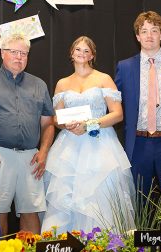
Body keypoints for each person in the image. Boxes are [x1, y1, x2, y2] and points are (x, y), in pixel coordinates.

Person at [41, 36, 136, 233]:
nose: (82, 54)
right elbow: (56, 119)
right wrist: (66, 124)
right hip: (69, 147)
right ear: (71, 53)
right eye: (78, 50)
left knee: (99, 195)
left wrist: (89, 124)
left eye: (86, 51)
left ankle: (104, 242)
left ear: (92, 55)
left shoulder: (103, 79)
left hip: (100, 144)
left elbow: (118, 114)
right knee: (66, 198)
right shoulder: (62, 83)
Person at [0, 33, 55, 235]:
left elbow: (49, 124)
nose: (19, 57)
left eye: (24, 53)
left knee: (31, 212)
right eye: (14, 52)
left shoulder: (39, 84)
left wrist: (44, 152)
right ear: (2, 53)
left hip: (31, 157)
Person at [115, 11, 161, 198]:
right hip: (139, 142)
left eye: (154, 30)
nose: (149, 35)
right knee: (139, 200)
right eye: (144, 31)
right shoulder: (124, 67)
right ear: (137, 36)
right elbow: (113, 103)